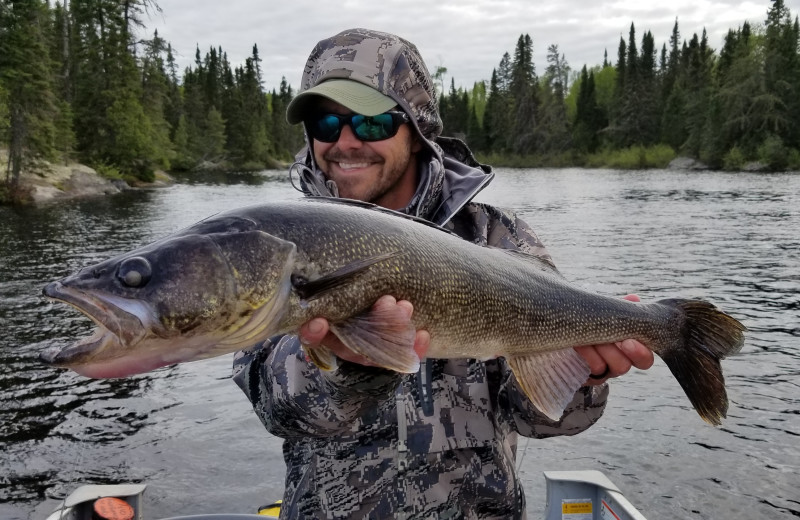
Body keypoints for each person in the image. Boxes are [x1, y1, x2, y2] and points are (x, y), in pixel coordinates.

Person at [232, 28, 654, 519]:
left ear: (415, 130)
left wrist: (583, 377)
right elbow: (274, 407)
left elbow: (544, 417)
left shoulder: (498, 237)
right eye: (325, 123)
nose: (345, 142)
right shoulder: (280, 245)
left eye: (371, 123)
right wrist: (349, 364)